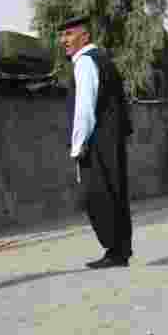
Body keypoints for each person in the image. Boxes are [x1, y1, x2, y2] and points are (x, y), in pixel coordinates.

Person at [59, 16, 134, 269]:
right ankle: (120, 251)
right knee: (115, 192)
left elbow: (85, 108)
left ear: (84, 36)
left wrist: (78, 145)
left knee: (97, 195)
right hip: (112, 138)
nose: (64, 40)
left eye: (69, 34)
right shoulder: (104, 59)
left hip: (97, 140)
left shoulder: (85, 62)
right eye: (62, 35)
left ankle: (114, 249)